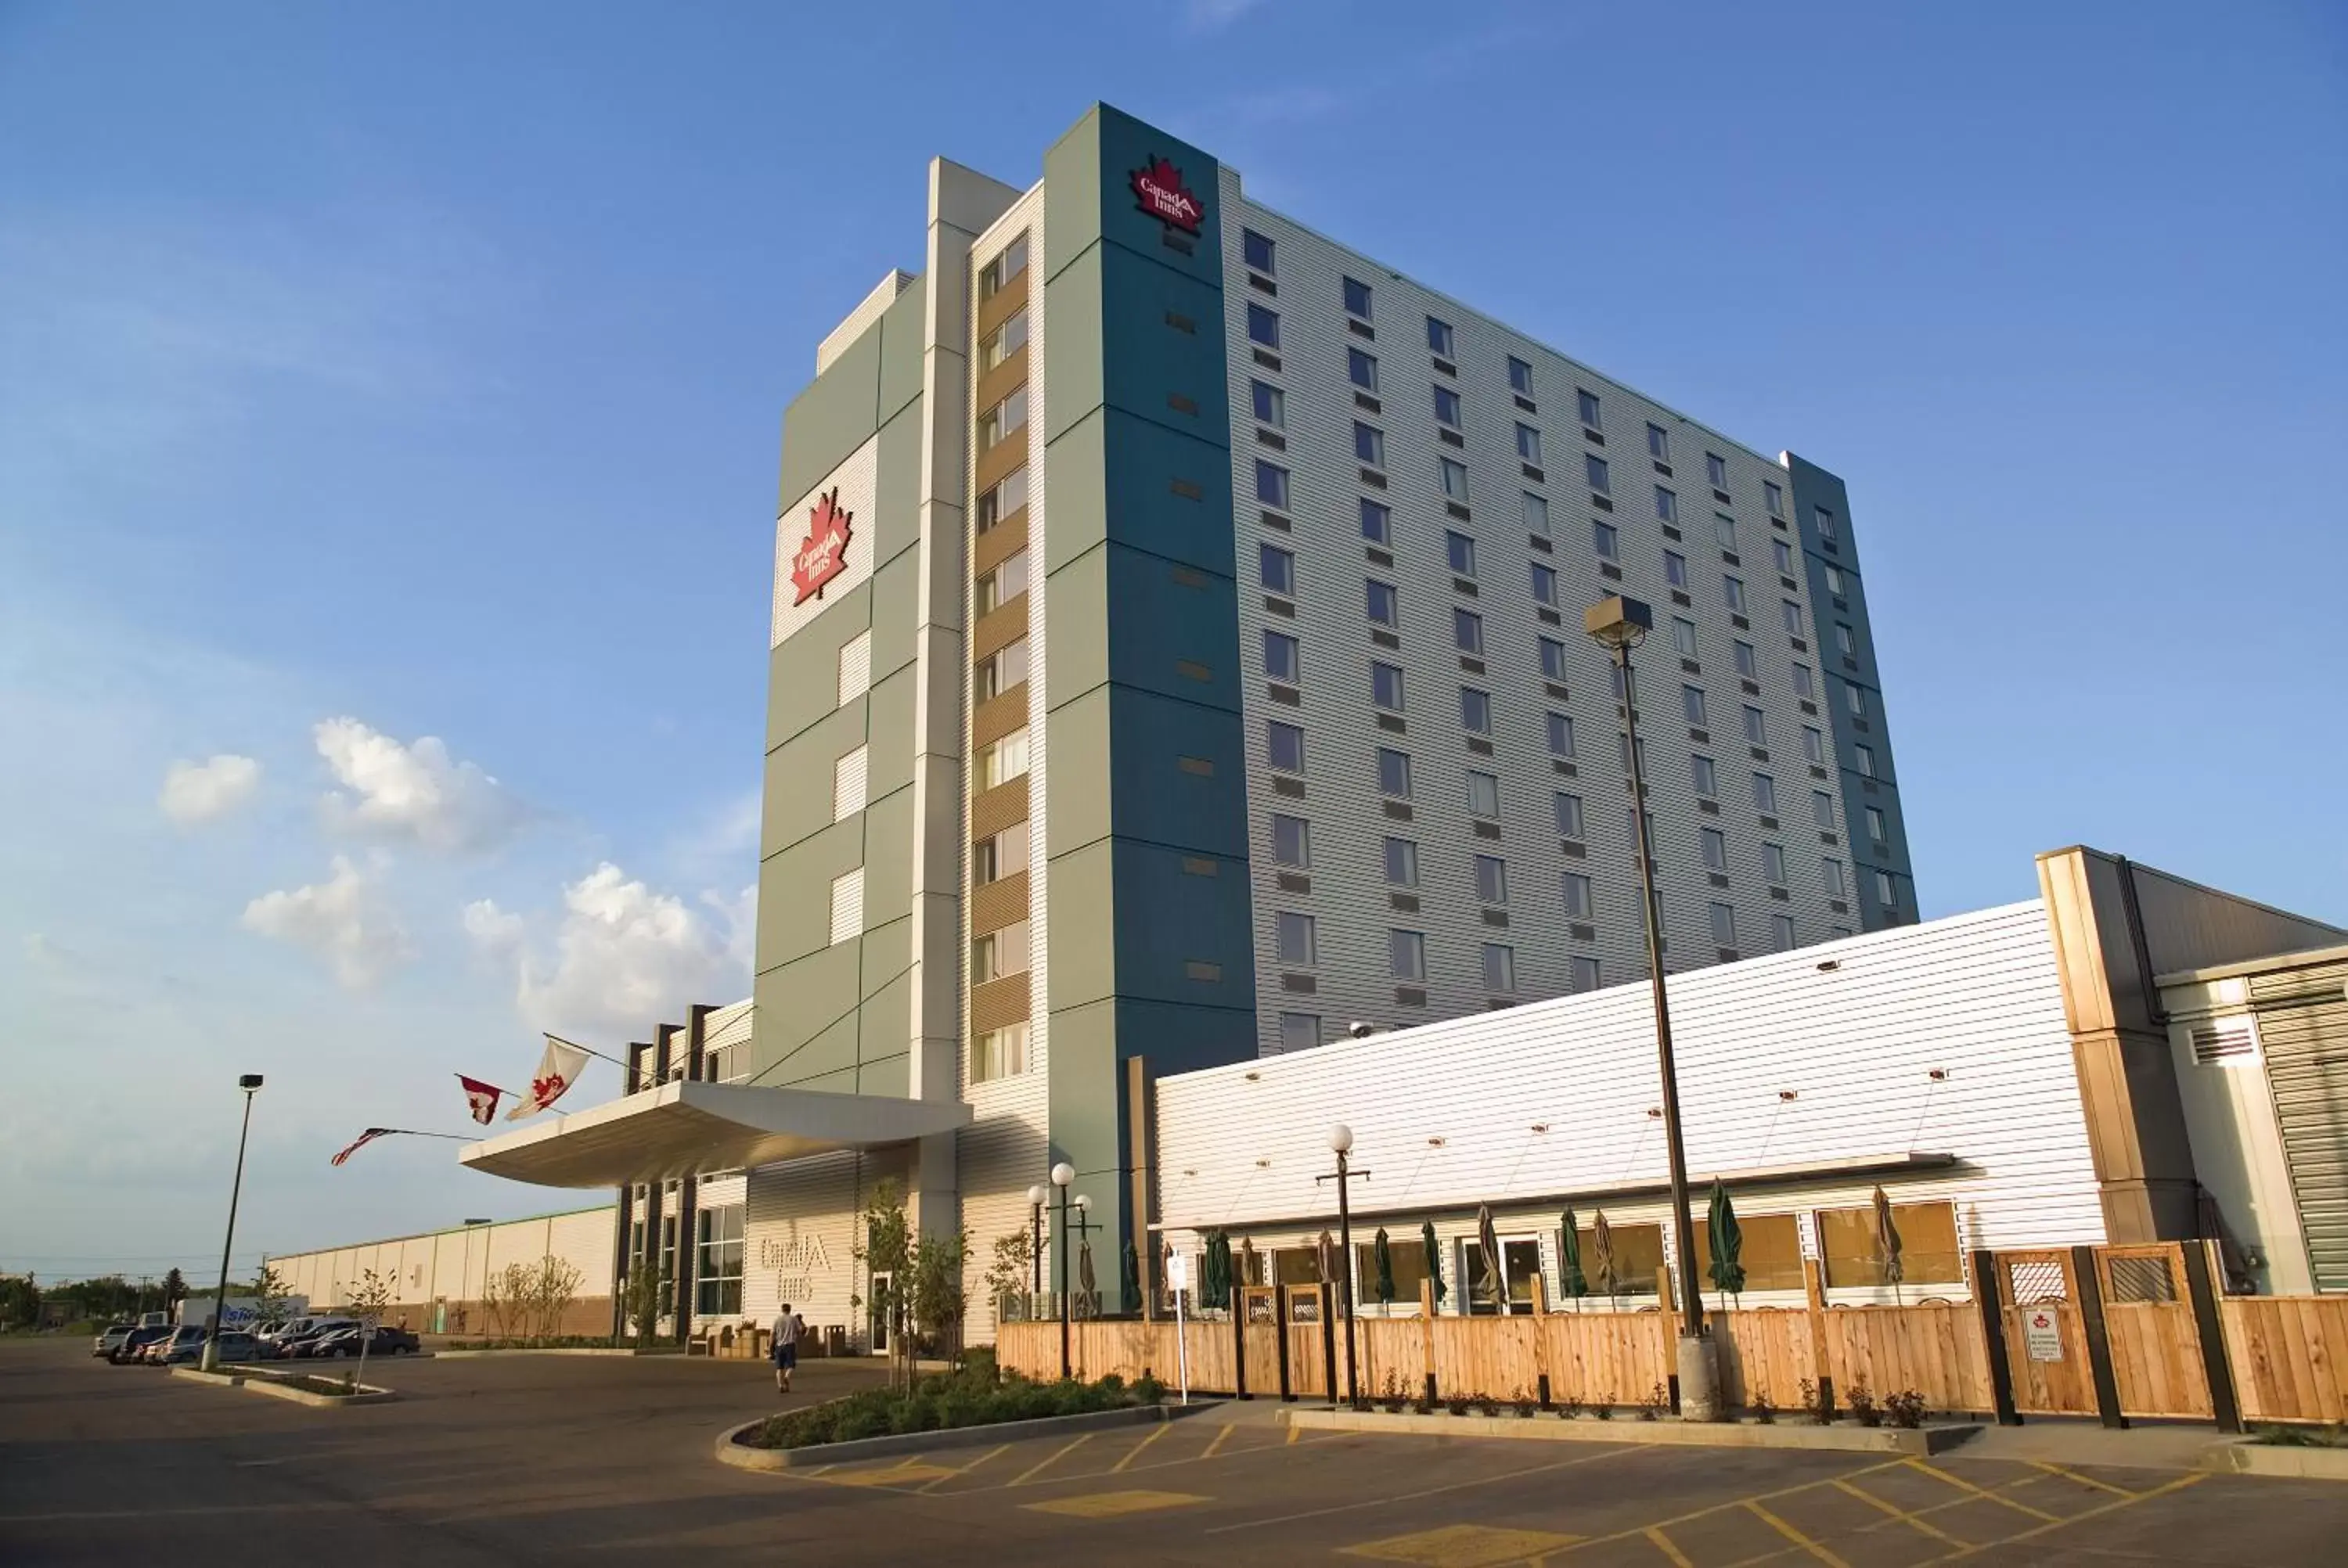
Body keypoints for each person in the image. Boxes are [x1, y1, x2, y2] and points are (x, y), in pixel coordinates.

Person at [771, 1303, 803, 1394]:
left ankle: (780, 1386)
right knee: (791, 1365)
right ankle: (786, 1377)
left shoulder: (777, 1320)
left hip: (779, 1345)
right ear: (790, 1309)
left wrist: (771, 1345)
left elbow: (773, 1334)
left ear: (782, 1310)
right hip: (790, 1344)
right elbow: (800, 1331)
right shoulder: (793, 1319)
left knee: (779, 1368)